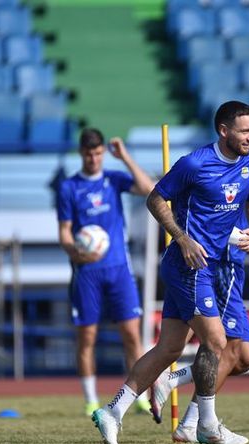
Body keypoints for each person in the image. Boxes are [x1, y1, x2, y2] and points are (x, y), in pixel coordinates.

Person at [92, 100, 249, 444]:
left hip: (209, 265)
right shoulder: (194, 164)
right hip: (188, 264)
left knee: (169, 348)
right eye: (244, 131)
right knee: (217, 341)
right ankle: (207, 425)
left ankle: (113, 411)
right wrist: (181, 238)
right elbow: (155, 199)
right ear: (224, 131)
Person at [147, 131, 249, 443]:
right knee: (229, 348)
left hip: (232, 270)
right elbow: (217, 231)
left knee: (241, 357)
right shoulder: (227, 176)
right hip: (218, 270)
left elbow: (242, 226)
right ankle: (190, 417)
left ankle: (178, 393)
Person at [56, 128, 154, 416]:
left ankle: (139, 396)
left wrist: (124, 157)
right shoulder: (69, 187)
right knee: (87, 338)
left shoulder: (114, 179)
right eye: (89, 154)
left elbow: (148, 188)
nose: (94, 159)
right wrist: (78, 252)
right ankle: (90, 400)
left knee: (131, 336)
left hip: (119, 270)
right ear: (81, 153)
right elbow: (63, 233)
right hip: (87, 273)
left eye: (98, 153)